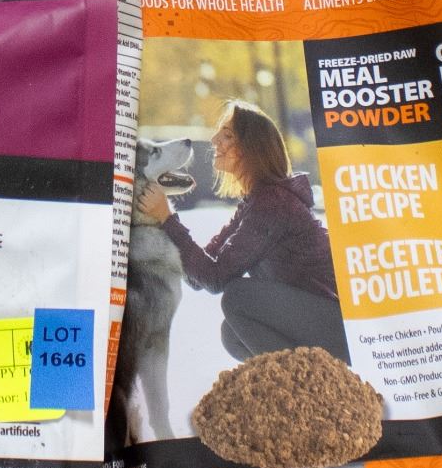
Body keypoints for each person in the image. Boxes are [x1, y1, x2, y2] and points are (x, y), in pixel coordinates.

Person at [133, 100, 348, 363]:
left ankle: (305, 376)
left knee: (237, 296)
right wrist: (161, 219)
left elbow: (215, 278)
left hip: (338, 325)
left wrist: (167, 218)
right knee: (232, 335)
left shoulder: (273, 203)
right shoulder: (256, 201)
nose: (214, 140)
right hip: (315, 321)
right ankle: (293, 378)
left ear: (250, 148)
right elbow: (199, 277)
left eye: (227, 135)